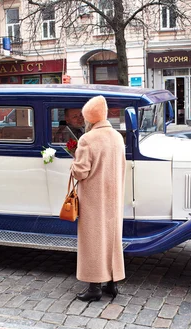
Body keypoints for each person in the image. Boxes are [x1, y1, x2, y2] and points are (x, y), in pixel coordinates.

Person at [70, 95, 126, 302]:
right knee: (112, 238)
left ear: (89, 118)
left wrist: (73, 159)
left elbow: (81, 172)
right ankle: (113, 283)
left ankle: (94, 287)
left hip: (94, 197)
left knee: (93, 240)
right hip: (114, 196)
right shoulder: (117, 136)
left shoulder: (88, 139)